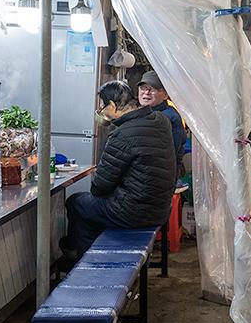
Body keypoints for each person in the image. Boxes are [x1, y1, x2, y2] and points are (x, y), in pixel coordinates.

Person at [61, 80, 176, 260]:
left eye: (102, 107)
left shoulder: (122, 134)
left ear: (113, 106)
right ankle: (91, 255)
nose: (100, 112)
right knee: (94, 209)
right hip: (161, 208)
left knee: (77, 203)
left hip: (135, 213)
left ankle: (84, 262)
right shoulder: (161, 121)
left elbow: (99, 187)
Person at [137, 70, 186, 178]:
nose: (146, 92)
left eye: (152, 89)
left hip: (158, 177)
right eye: (143, 88)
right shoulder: (142, 112)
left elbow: (170, 154)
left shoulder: (169, 117)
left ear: (165, 95)